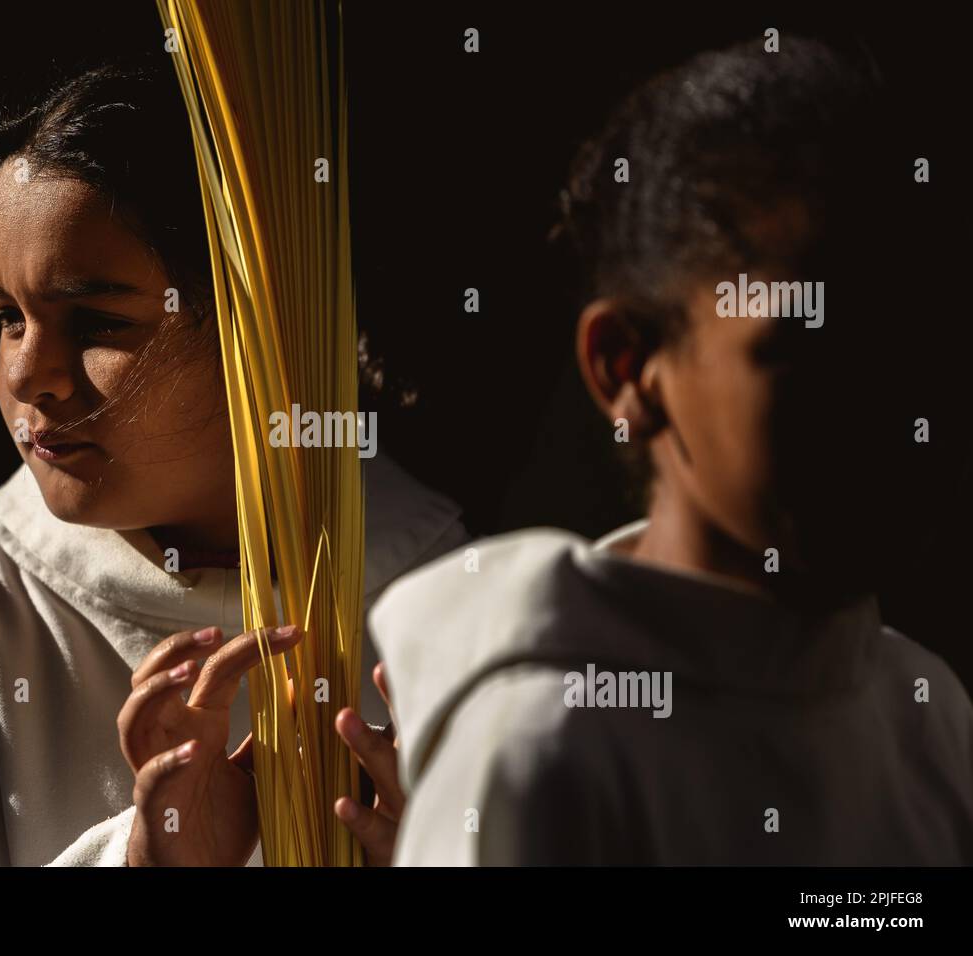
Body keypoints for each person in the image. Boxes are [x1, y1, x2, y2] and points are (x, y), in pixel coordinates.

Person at [0, 62, 465, 867]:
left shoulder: (469, 625)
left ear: (271, 335)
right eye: (7, 317)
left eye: (96, 322)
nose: (25, 374)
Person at [369, 37, 973, 865]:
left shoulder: (928, 714)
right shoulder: (542, 753)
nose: (894, 412)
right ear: (629, 368)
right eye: (812, 354)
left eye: (930, 348)